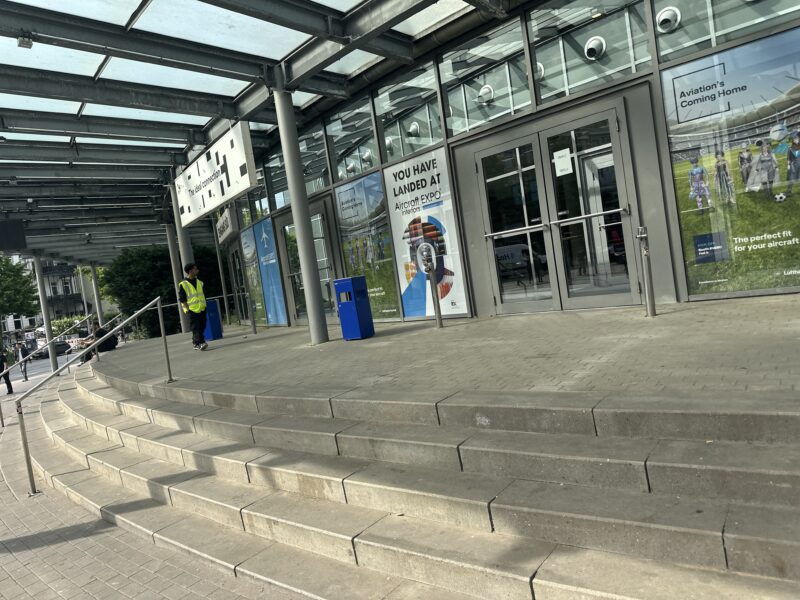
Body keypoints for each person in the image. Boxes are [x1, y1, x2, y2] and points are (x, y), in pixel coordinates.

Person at [179, 262, 208, 350]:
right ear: (190, 271)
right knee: (196, 327)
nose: (197, 270)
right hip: (192, 309)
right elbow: (182, 299)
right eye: (195, 269)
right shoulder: (183, 284)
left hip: (202, 307)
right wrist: (187, 310)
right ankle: (200, 343)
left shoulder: (199, 282)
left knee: (202, 325)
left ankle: (196, 343)